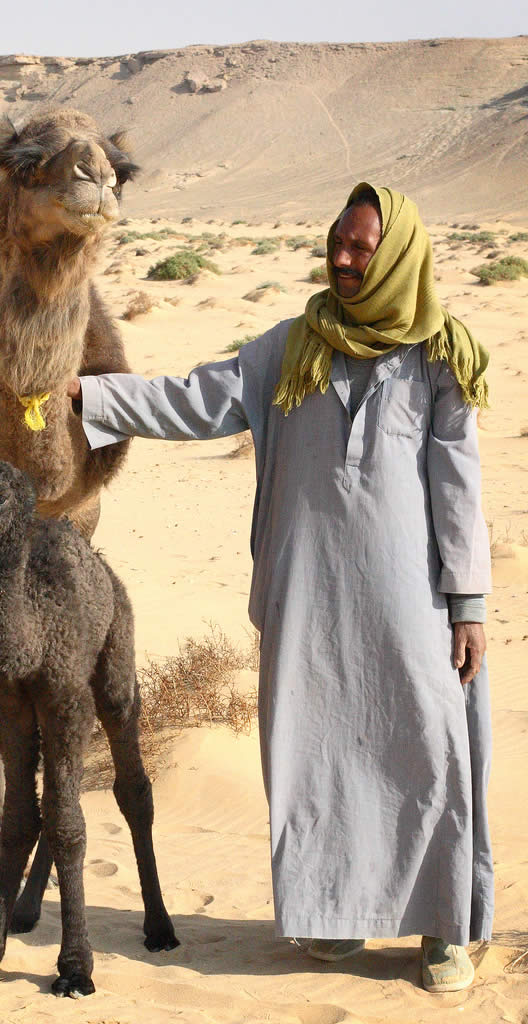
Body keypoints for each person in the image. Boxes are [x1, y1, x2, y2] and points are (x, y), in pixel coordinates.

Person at [67, 183, 492, 994]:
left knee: (428, 748)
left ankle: (443, 930)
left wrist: (468, 604)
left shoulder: (442, 355)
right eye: (336, 242)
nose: (341, 258)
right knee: (319, 758)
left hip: (415, 601)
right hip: (309, 601)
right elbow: (194, 400)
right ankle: (336, 916)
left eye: (361, 248)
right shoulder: (288, 348)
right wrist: (94, 394)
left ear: (397, 254)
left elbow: (459, 487)